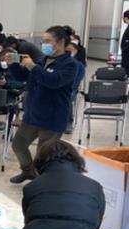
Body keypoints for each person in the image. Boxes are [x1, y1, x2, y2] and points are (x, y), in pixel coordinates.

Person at [8, 26, 78, 184]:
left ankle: (41, 183)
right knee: (18, 145)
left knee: (43, 155)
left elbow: (53, 81)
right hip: (33, 114)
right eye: (42, 41)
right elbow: (22, 77)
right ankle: (28, 171)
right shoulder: (41, 60)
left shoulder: (70, 65)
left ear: (60, 42)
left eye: (47, 41)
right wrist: (13, 64)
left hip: (52, 117)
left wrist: (32, 66)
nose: (44, 44)